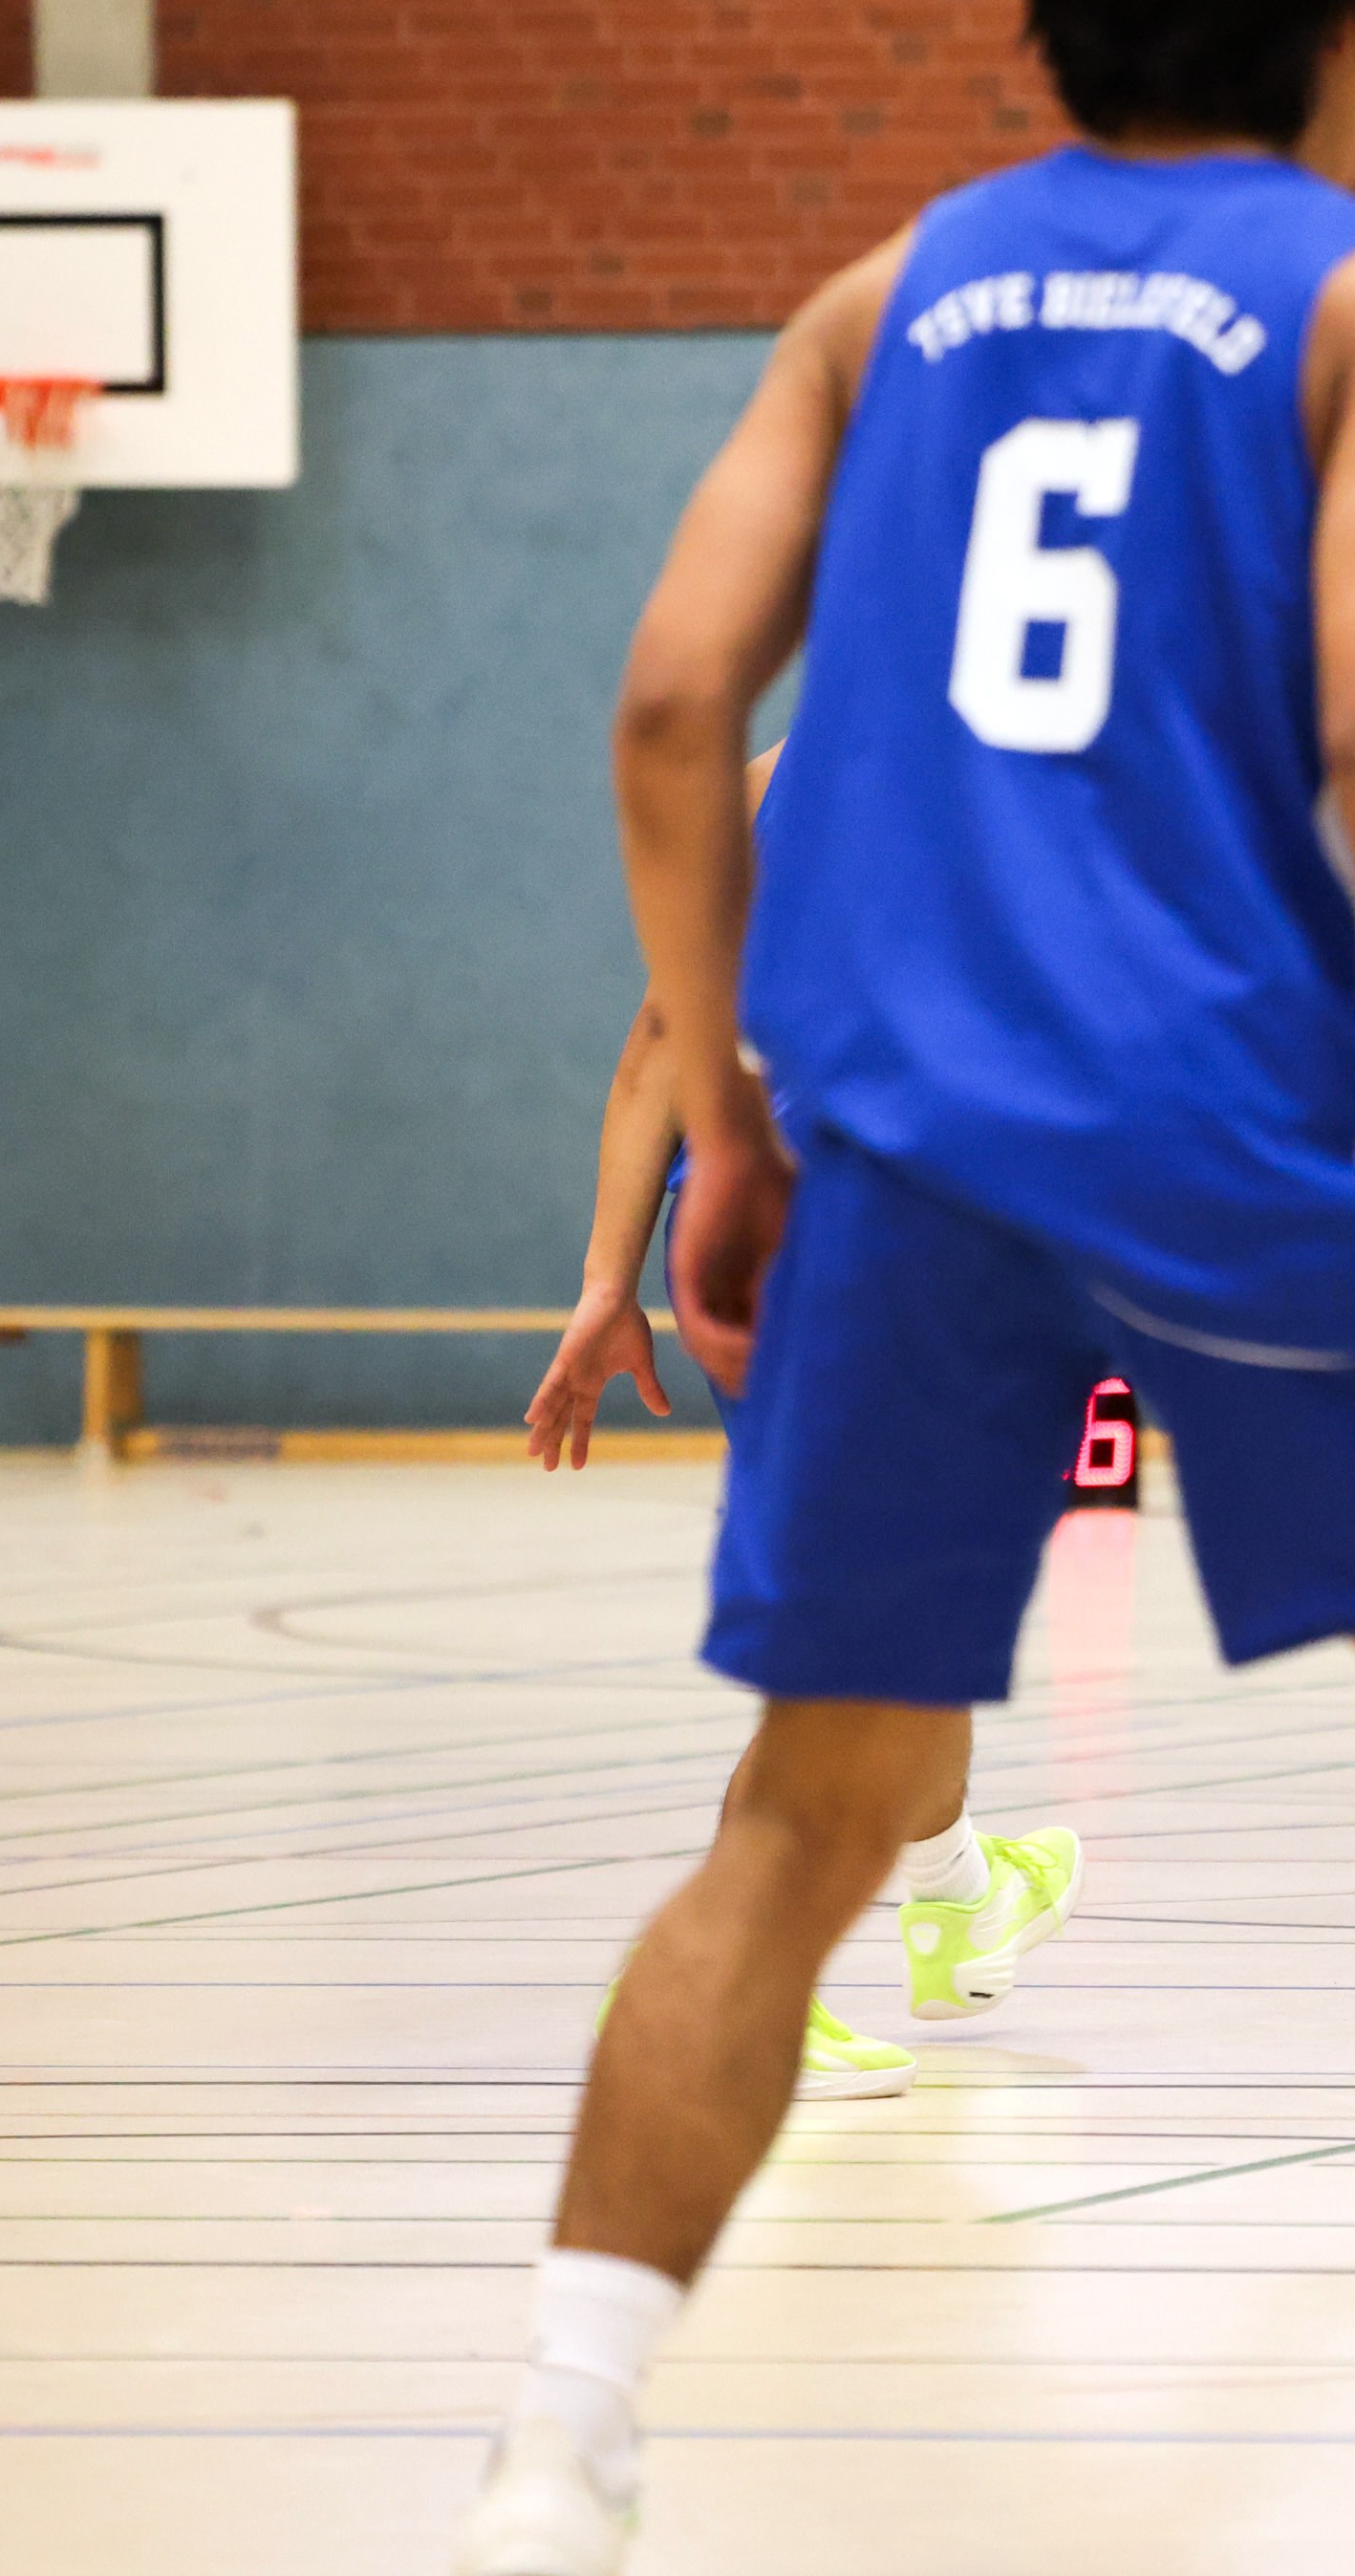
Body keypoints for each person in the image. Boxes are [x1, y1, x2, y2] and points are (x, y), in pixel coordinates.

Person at [454, 0, 1355, 2576]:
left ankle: (556, 2457)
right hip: (1232, 1129)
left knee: (800, 1825)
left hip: (905, 1153)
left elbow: (672, 707)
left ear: (1041, 5)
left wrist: (725, 1117)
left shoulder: (878, 299)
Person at [521, 735, 1086, 2108]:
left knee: (916, 1600)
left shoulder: (779, 772)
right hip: (873, 1240)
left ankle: (959, 1888)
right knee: (875, 1627)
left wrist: (605, 1283)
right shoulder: (1046, 782)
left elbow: (662, 1038)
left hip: (739, 1235)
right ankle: (720, 1977)